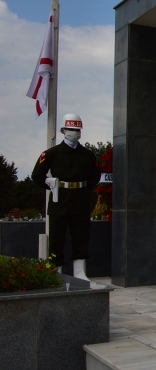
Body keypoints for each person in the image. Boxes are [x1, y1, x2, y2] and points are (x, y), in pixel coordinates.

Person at [31, 113, 101, 281]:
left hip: (80, 200)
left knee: (81, 237)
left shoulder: (88, 155)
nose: (74, 132)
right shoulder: (51, 153)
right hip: (59, 200)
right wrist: (51, 184)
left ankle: (79, 272)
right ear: (63, 130)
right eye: (70, 128)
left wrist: (84, 191)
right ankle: (56, 271)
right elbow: (37, 175)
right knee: (57, 238)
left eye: (77, 129)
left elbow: (94, 177)